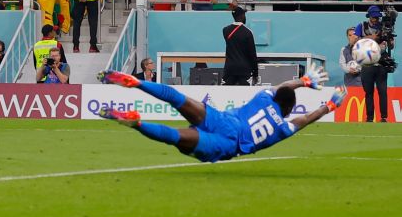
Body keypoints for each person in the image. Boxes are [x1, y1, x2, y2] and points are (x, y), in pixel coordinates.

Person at [96, 67, 347, 163]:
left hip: (223, 120)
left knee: (174, 97)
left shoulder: (263, 97)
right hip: (228, 144)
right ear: (289, 110)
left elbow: (283, 86)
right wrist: (330, 106)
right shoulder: (282, 127)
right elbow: (305, 119)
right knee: (174, 136)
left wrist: (303, 82)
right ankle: (137, 123)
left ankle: (137, 83)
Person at [354, 6, 389, 122]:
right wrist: (371, 38)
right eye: (374, 17)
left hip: (381, 64)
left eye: (378, 17)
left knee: (382, 91)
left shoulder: (384, 26)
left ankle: (384, 117)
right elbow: (355, 41)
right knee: (369, 92)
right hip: (367, 64)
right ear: (369, 16)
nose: (376, 19)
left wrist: (390, 41)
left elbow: (391, 46)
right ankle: (369, 118)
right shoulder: (361, 26)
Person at [222, 7, 258, 86]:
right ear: (242, 16)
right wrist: (255, 73)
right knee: (244, 95)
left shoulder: (225, 30)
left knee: (226, 94)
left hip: (229, 69)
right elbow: (252, 54)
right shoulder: (248, 32)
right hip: (244, 69)